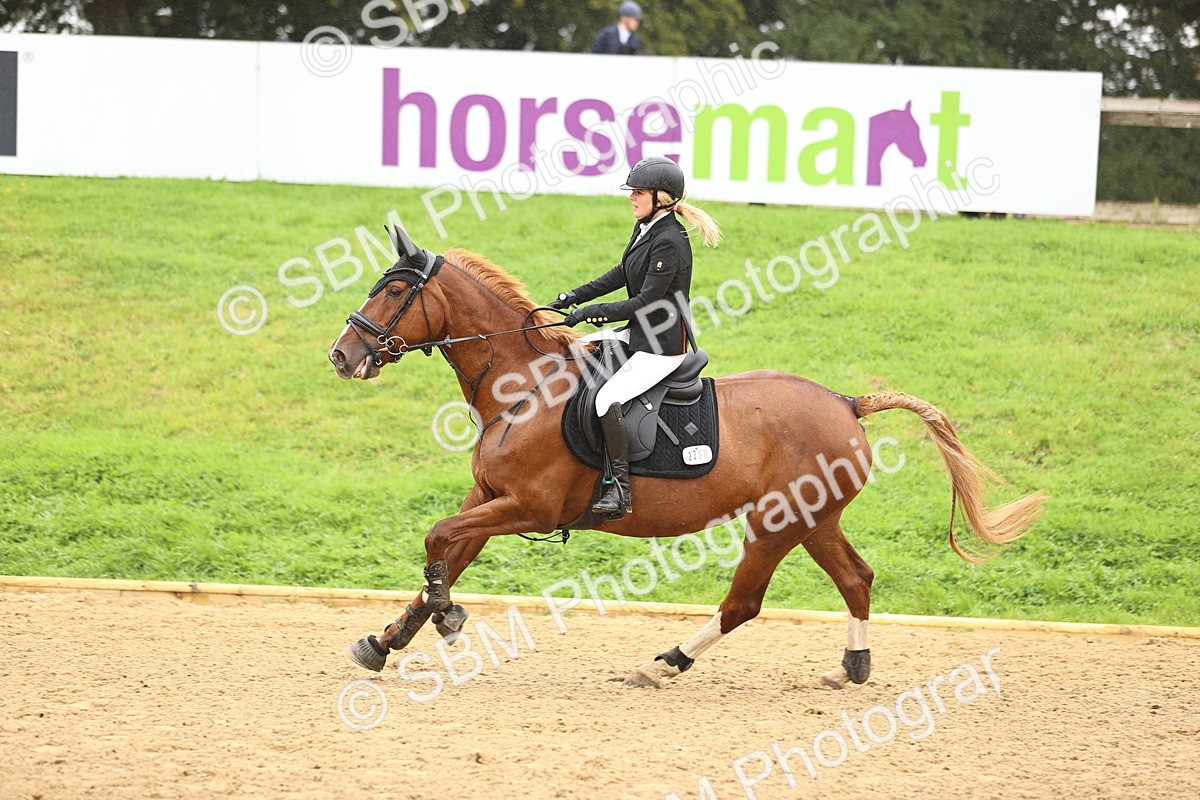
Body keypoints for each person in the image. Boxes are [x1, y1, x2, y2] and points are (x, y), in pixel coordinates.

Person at [550, 156, 722, 521]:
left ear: (662, 198)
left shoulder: (670, 242)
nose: (632, 198)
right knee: (575, 353)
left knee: (606, 398)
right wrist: (574, 296)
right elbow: (620, 273)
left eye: (639, 193)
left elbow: (644, 301)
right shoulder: (646, 228)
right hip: (639, 333)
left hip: (661, 345)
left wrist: (588, 314)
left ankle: (619, 486)